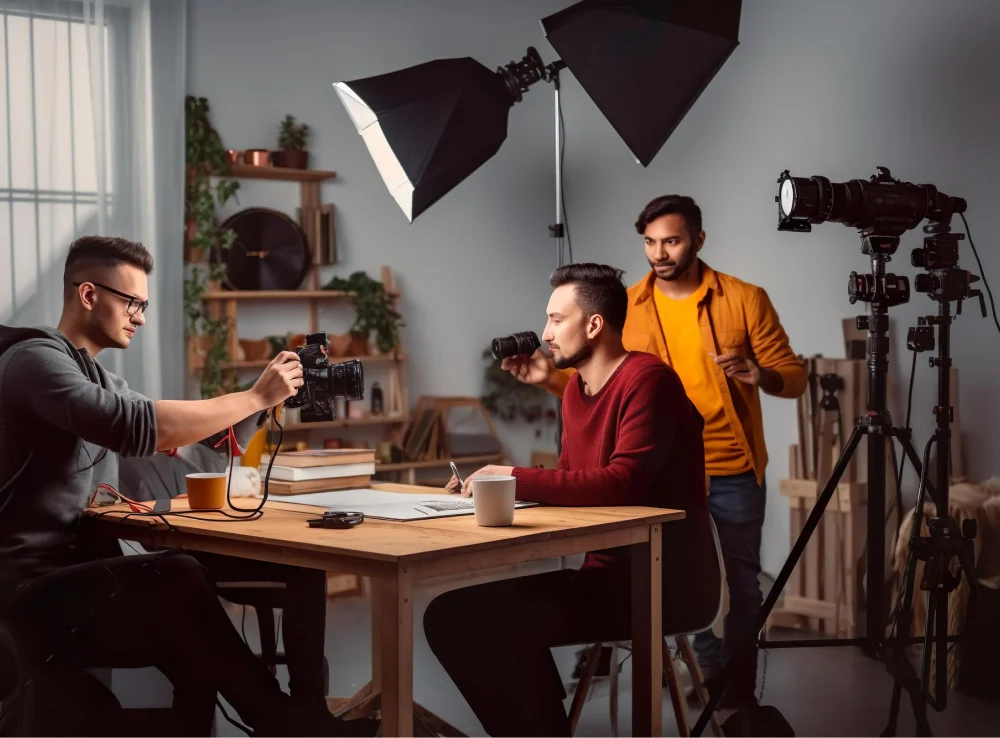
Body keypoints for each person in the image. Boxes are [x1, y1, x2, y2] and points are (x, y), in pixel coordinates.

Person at [0, 236, 373, 736]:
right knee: (176, 577)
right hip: (27, 593)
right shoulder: (33, 360)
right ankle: (280, 723)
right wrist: (251, 395)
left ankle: (306, 716)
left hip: (81, 575)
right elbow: (132, 426)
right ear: (88, 295)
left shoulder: (97, 378)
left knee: (295, 567)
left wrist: (266, 401)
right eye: (132, 302)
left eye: (144, 305)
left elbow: (210, 440)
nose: (141, 317)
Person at [500, 196, 807, 707]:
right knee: (676, 568)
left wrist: (763, 375)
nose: (659, 252)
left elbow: (793, 376)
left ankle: (735, 692)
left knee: (740, 583)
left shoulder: (744, 299)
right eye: (650, 241)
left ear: (698, 240)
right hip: (652, 463)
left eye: (672, 240)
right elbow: (603, 386)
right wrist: (551, 381)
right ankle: (709, 675)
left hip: (727, 463)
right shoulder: (630, 303)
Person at [426, 263, 719, 737]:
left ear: (595, 324)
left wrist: (514, 476)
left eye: (556, 320)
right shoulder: (575, 394)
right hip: (606, 579)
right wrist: (488, 491)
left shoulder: (650, 380)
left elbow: (621, 483)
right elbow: (572, 482)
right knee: (449, 615)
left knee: (482, 622)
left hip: (661, 585)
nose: (545, 334)